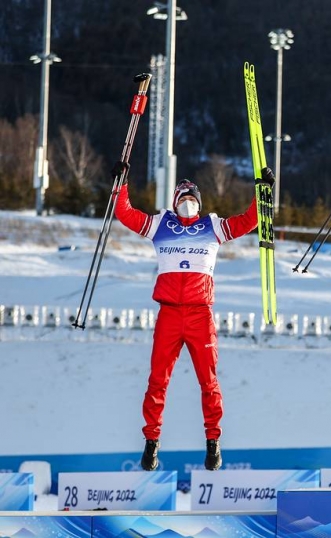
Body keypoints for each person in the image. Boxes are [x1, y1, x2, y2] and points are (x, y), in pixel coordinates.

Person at [113, 165, 265, 470]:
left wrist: (262, 192)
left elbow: (250, 221)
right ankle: (151, 442)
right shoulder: (160, 224)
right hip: (169, 314)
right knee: (158, 381)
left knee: (208, 382)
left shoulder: (213, 226)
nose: (188, 202)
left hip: (200, 316)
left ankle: (213, 443)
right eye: (183, 197)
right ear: (174, 201)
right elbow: (125, 214)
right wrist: (122, 183)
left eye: (193, 197)